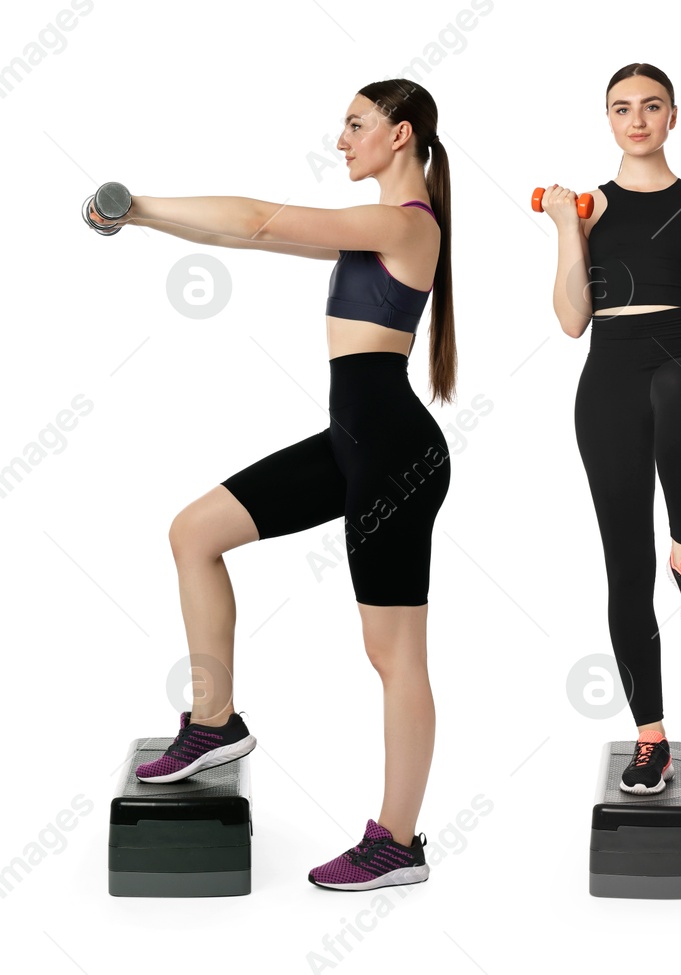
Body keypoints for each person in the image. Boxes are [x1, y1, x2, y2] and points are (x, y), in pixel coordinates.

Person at [90, 80, 455, 886]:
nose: (342, 140)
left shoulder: (403, 224)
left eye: (356, 125)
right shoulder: (373, 229)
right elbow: (253, 232)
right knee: (195, 532)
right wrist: (141, 215)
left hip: (394, 453)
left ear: (400, 136)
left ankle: (397, 841)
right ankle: (214, 721)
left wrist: (139, 205)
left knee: (392, 654)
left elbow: (258, 220)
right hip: (353, 442)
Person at [537, 63, 681, 795]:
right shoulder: (589, 207)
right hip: (607, 379)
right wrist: (569, 227)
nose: (637, 119)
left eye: (651, 106)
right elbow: (571, 322)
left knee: (670, 385)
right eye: (622, 108)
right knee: (625, 570)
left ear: (672, 117)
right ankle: (649, 738)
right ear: (608, 120)